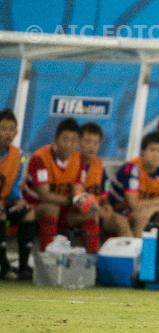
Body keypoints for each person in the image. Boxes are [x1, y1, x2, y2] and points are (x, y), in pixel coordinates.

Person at [24, 119, 100, 253]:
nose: (69, 145)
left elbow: (78, 189)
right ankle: (48, 256)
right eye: (65, 139)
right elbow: (44, 195)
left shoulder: (78, 160)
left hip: (63, 209)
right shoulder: (40, 158)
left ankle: (94, 260)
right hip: (34, 206)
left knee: (90, 212)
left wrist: (84, 202)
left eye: (74, 140)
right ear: (55, 139)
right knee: (52, 208)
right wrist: (71, 200)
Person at [108, 132, 159, 237]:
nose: (156, 154)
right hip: (118, 212)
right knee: (142, 216)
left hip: (146, 211)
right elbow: (133, 204)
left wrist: (152, 209)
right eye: (152, 150)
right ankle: (137, 250)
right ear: (143, 152)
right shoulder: (131, 168)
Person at [79, 122, 132, 238]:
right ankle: (92, 253)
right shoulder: (73, 164)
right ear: (79, 142)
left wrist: (106, 205)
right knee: (93, 216)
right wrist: (97, 210)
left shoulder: (99, 166)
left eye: (96, 143)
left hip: (98, 211)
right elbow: (76, 197)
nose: (92, 146)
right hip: (76, 212)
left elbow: (103, 196)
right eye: (88, 142)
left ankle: (128, 255)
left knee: (121, 221)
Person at [0, 109, 36, 280]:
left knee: (29, 213)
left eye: (11, 129)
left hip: (6, 202)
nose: (8, 133)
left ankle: (23, 267)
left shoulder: (18, 155)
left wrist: (18, 199)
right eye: (3, 128)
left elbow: (14, 183)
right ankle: (4, 266)